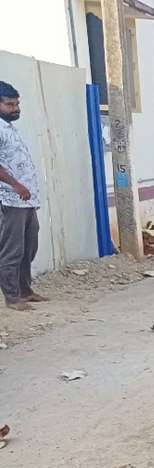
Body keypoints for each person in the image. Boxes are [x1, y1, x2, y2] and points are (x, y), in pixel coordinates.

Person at [0, 81, 46, 311]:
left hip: (26, 200)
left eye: (17, 103)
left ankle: (25, 291)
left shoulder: (8, 128)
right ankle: (12, 297)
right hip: (10, 199)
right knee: (12, 249)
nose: (16, 108)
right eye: (9, 104)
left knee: (29, 246)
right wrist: (16, 186)